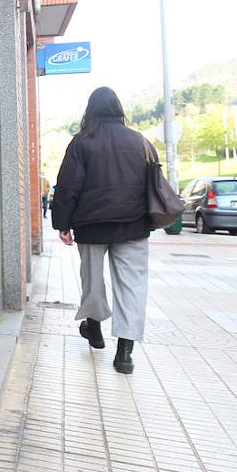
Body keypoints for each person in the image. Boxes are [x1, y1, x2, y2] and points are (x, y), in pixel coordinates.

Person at [50, 87, 152, 374]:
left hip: (92, 225)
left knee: (92, 280)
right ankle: (124, 354)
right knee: (132, 286)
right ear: (119, 109)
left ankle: (93, 329)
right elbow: (153, 183)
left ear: (90, 110)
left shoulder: (82, 142)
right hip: (133, 224)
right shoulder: (140, 142)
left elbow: (68, 186)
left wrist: (63, 224)